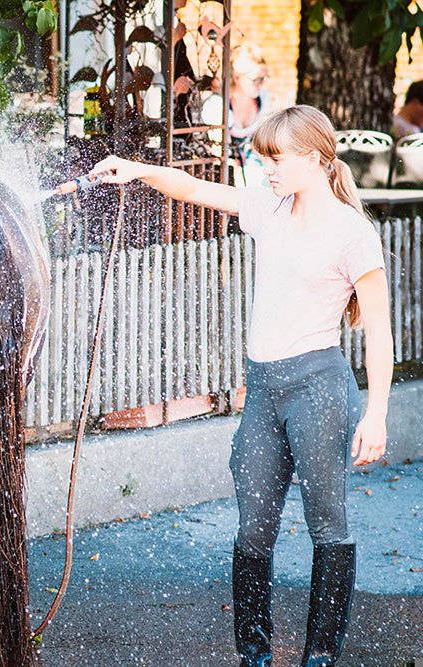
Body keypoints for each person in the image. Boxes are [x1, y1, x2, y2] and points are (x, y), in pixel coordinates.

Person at [90, 105, 393, 667]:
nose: (267, 170)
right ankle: (253, 655)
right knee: (253, 529)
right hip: (264, 389)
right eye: (262, 159)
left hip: (318, 388)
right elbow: (192, 187)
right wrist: (133, 169)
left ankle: (319, 657)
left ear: (314, 157)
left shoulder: (353, 233)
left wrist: (376, 413)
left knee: (328, 526)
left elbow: (378, 330)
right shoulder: (270, 210)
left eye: (276, 160)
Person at [201, 44, 274, 185]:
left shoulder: (261, 98)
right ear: (237, 78)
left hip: (255, 170)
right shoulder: (218, 105)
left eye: (263, 79)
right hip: (224, 175)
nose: (260, 84)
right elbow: (219, 151)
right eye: (256, 79)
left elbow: (261, 143)